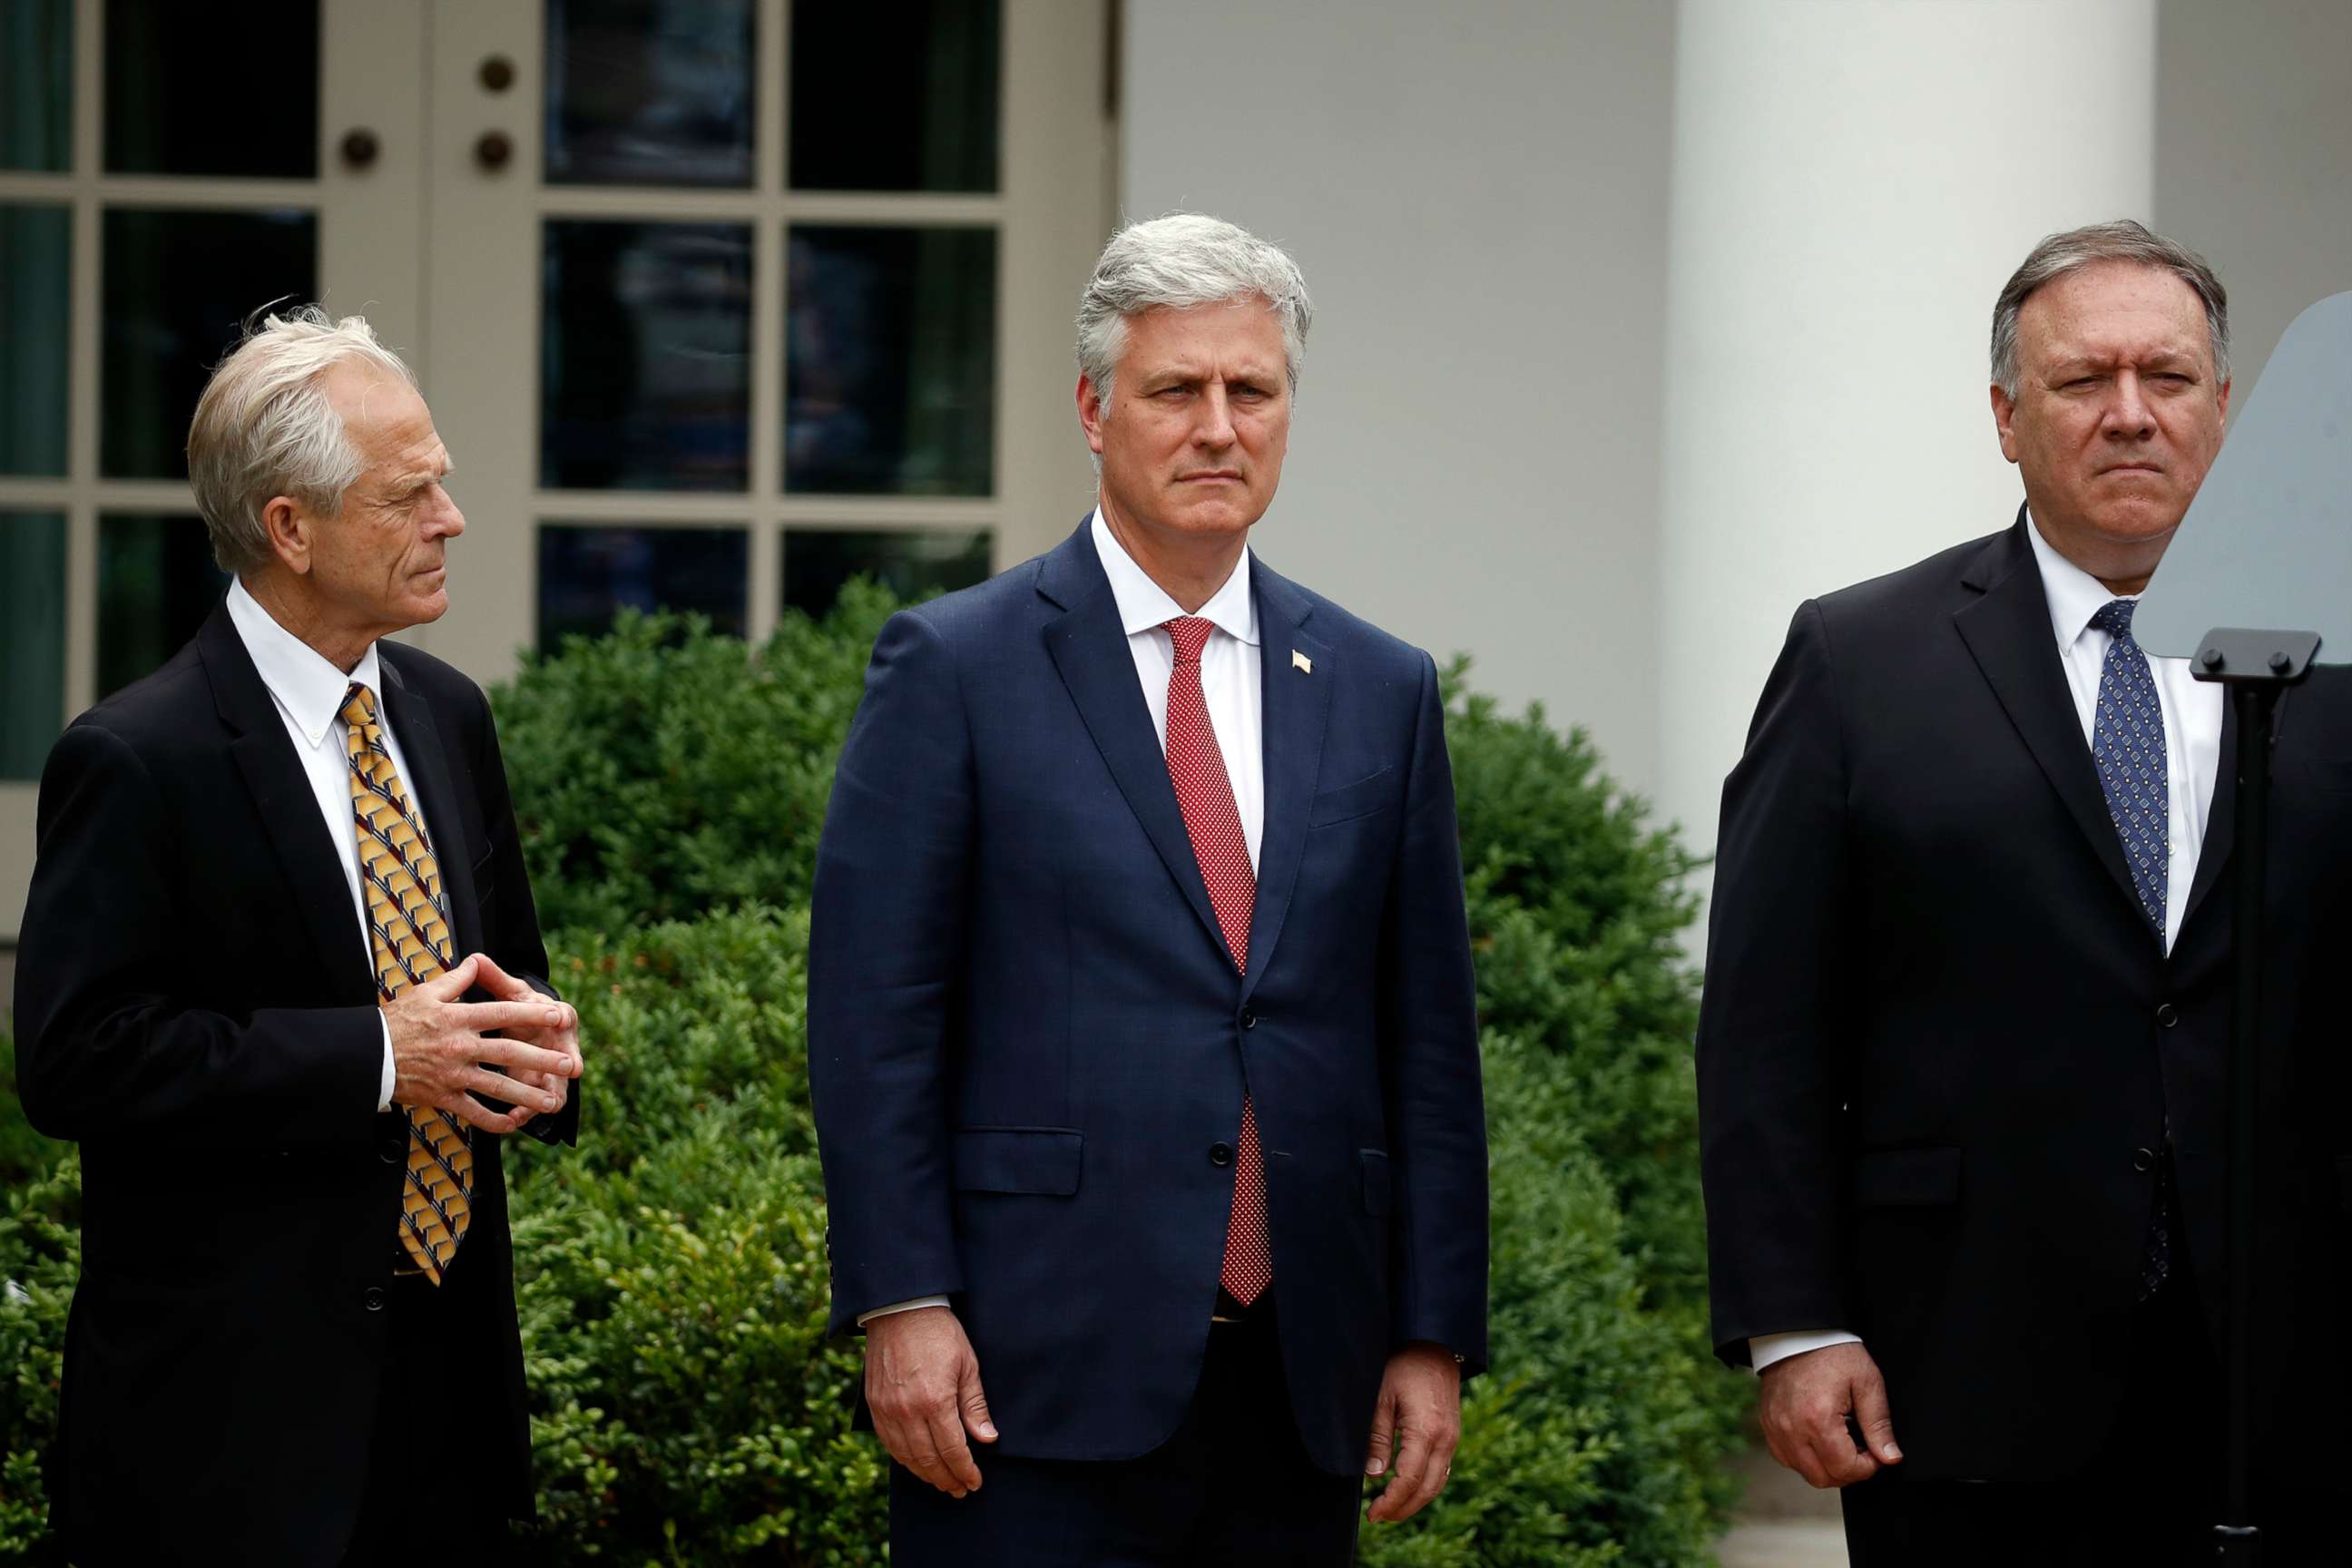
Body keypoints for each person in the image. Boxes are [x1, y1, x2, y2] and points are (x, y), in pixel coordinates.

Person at [808, 213, 1488, 1565]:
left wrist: (1431, 1327)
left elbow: (1427, 1042)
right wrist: (902, 1301)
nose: (1219, 428)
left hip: (1304, 1378)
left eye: (1254, 391)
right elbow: (874, 1020)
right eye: (1178, 390)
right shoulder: (955, 667)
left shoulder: (1379, 687)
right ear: (1093, 407)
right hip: (1028, 1374)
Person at [1698, 220, 2352, 1563]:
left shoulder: (2334, 664)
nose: (2130, 416)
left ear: (2223, 407)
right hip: (1961, 1378)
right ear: (2006, 416)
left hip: (2294, 1375)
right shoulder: (1859, 659)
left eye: (2167, 379)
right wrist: (1798, 1328)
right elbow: (1766, 1025)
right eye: (2080, 382)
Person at [14, 308, 583, 1566]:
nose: (453, 518)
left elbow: (497, 978)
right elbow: (77, 1060)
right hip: (231, 1435)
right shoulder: (135, 758)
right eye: (410, 493)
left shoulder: (444, 714)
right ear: (290, 528)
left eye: (443, 480)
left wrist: (531, 1051)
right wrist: (381, 1057)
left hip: (445, 1403)